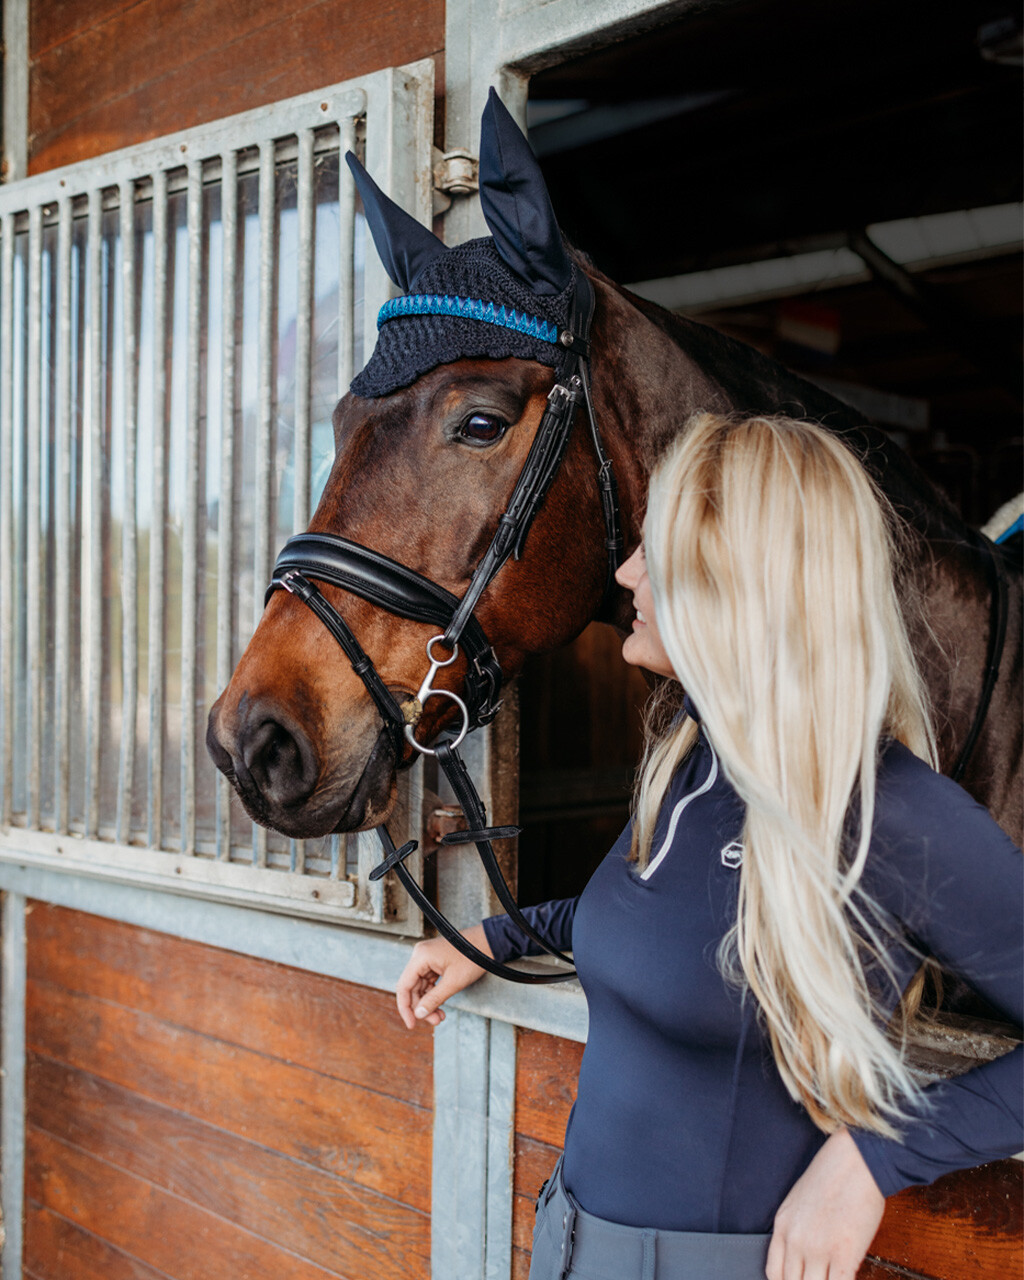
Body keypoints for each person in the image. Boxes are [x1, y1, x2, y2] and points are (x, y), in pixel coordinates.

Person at [396, 413, 1023, 1280]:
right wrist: (489, 940)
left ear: (736, 582)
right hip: (570, 1243)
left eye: (653, 552)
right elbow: (657, 924)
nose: (624, 575)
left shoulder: (891, 814)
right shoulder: (692, 758)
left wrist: (877, 1160)